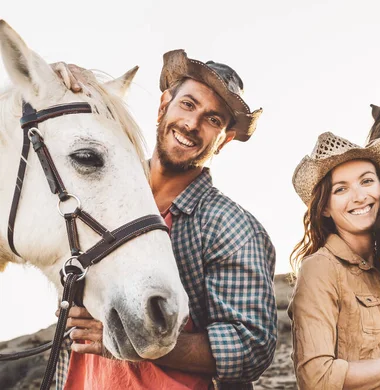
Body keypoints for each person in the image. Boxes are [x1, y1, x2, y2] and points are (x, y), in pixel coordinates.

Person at [54, 50, 277, 390]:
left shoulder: (231, 226)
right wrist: (65, 82)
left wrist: (128, 340)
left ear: (225, 140)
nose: (192, 125)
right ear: (163, 107)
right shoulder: (103, 192)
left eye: (213, 120)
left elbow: (250, 347)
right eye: (187, 104)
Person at [288, 132, 380, 390]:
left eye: (366, 181)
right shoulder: (321, 268)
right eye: (341, 189)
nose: (358, 196)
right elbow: (316, 378)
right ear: (324, 207)